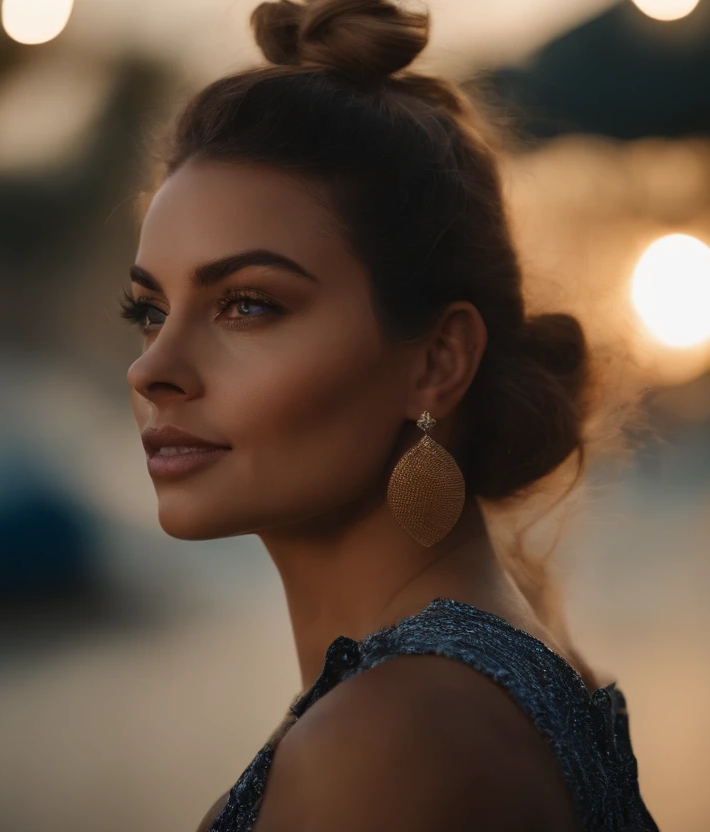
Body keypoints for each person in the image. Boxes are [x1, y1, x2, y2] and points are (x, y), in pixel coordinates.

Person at [121, 1, 658, 829]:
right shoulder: (451, 688)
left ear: (437, 361)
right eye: (150, 310)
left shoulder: (389, 744)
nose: (154, 368)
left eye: (248, 305)